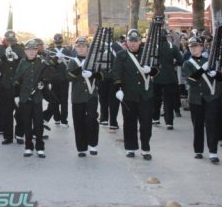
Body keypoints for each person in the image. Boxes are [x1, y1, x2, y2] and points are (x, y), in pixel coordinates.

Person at [110, 29, 158, 160]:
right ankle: (130, 148)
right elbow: (116, 73)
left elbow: (157, 69)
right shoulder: (121, 55)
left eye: (135, 41)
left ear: (140, 41)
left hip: (145, 95)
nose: (133, 43)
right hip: (128, 95)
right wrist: (118, 89)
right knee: (129, 123)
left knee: (146, 123)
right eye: (130, 41)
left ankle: (145, 148)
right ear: (127, 42)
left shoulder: (147, 54)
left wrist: (150, 70)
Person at [182, 37, 221, 163]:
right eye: (191, 47)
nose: (194, 48)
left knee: (212, 125)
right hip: (195, 98)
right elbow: (191, 81)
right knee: (197, 125)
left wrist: (216, 74)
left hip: (210, 97)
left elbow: (221, 78)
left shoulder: (209, 61)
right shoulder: (187, 63)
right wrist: (202, 69)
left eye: (196, 46)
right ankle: (198, 150)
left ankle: (213, 152)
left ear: (201, 47)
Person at [15, 39, 54, 158]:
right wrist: (16, 96)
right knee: (26, 123)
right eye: (29, 50)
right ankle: (28, 147)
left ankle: (40, 147)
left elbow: (48, 75)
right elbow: (17, 80)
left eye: (34, 49)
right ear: (25, 51)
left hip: (37, 98)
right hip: (25, 98)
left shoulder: (41, 62)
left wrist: (43, 82)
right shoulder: (22, 63)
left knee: (38, 124)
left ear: (37, 51)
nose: (31, 52)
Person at [67, 37, 101, 157]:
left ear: (88, 48)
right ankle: (81, 148)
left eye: (83, 46)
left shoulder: (93, 61)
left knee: (92, 119)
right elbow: (69, 77)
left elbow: (102, 75)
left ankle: (93, 144)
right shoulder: (73, 61)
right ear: (75, 48)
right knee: (79, 121)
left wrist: (93, 74)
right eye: (78, 47)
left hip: (91, 95)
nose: (81, 49)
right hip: (78, 96)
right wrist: (79, 68)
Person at [0, 30, 25, 145]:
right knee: (6, 112)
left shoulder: (20, 49)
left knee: (20, 112)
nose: (10, 42)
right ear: (4, 40)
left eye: (12, 40)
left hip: (18, 85)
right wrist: (3, 57)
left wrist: (17, 58)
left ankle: (19, 134)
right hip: (4, 84)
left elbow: (25, 64)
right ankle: (8, 136)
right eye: (8, 40)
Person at [152, 30, 183, 129]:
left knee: (156, 99)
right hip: (170, 77)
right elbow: (180, 61)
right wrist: (173, 63)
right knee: (168, 100)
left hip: (156, 76)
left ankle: (155, 118)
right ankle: (169, 122)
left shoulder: (153, 47)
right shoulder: (172, 46)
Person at [44, 33, 72, 127]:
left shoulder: (50, 51)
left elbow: (48, 65)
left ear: (54, 41)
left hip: (55, 78)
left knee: (54, 99)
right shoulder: (67, 51)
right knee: (64, 100)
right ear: (62, 41)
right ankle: (64, 120)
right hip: (64, 78)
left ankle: (57, 118)